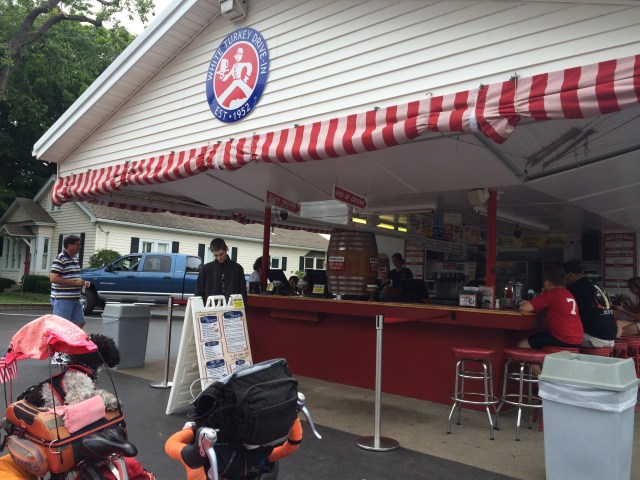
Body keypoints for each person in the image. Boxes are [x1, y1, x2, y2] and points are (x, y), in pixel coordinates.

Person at [165, 419, 302, 480]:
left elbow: (171, 445)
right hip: (259, 465)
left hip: (223, 464)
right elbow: (292, 444)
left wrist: (191, 431)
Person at [518, 265, 584, 353]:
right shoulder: (568, 294)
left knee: (522, 345)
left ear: (547, 283)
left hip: (561, 338)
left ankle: (538, 363)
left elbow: (525, 308)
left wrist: (542, 295)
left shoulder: (552, 293)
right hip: (578, 339)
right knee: (539, 343)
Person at [562, 260, 617, 347]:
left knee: (557, 336)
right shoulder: (595, 285)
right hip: (611, 337)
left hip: (595, 338)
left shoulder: (575, 288)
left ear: (570, 275)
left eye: (563, 276)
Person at [49, 235, 90, 328]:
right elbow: (53, 278)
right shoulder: (60, 259)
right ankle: (59, 338)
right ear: (69, 245)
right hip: (62, 298)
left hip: (75, 298)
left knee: (80, 322)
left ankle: (69, 337)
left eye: (79, 244)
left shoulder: (75, 258)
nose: (79, 247)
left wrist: (83, 282)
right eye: (77, 245)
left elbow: (72, 276)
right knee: (60, 326)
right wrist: (76, 283)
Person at [195, 238, 247, 304]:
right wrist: (200, 308)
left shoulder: (237, 269)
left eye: (221, 254)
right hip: (210, 308)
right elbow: (199, 293)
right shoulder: (205, 269)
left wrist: (241, 309)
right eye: (215, 255)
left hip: (231, 308)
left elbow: (242, 293)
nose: (219, 258)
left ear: (226, 249)